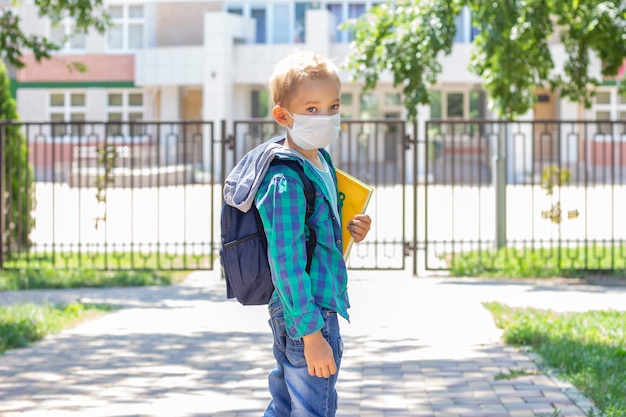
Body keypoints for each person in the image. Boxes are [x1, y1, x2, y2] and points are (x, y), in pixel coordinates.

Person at [226, 50, 371, 416]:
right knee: (312, 409)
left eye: (333, 106)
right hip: (307, 313)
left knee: (286, 406)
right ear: (282, 116)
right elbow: (286, 262)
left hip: (312, 307)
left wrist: (352, 227)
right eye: (311, 109)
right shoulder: (284, 179)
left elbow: (319, 230)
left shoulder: (319, 161)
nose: (325, 117)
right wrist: (311, 335)